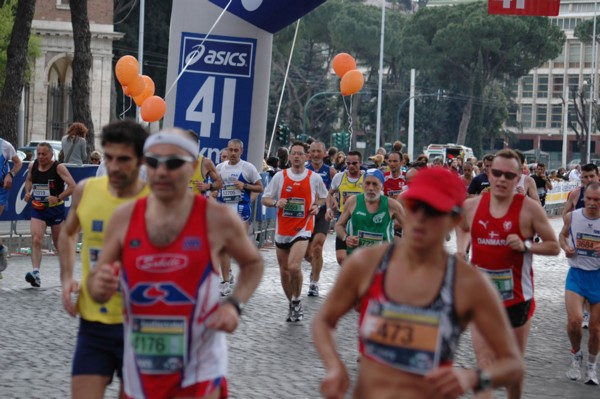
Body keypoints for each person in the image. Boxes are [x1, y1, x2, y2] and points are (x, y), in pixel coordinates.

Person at [312, 167, 524, 399]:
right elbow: (323, 321)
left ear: (455, 219)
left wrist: (472, 377)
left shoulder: (468, 283)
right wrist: (334, 366)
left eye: (433, 211)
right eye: (414, 206)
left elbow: (512, 364)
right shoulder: (366, 264)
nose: (421, 218)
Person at [87, 128, 264, 399]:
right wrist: (100, 285)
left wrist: (233, 304)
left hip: (200, 365)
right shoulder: (124, 218)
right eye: (153, 163)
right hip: (140, 366)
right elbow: (97, 284)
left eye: (173, 163)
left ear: (193, 166)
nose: (161, 171)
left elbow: (253, 264)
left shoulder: (217, 219)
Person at [457, 149, 560, 399]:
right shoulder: (471, 206)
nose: (502, 179)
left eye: (509, 175)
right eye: (497, 173)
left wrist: (526, 246)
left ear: (519, 177)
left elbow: (554, 246)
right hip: (482, 299)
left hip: (516, 298)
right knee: (485, 363)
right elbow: (461, 227)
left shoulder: (529, 210)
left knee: (512, 365)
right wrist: (462, 251)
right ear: (489, 174)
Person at [58, 120, 150, 398]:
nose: (114, 167)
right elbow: (68, 234)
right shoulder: (87, 190)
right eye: (109, 157)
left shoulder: (156, 200)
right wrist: (66, 278)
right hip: (94, 322)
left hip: (143, 327)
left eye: (124, 159)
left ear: (141, 159)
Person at [261, 142, 327, 322]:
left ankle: (297, 300)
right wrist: (276, 203)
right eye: (294, 153)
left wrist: (316, 206)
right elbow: (265, 199)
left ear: (306, 157)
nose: (297, 156)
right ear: (289, 157)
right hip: (282, 230)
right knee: (284, 271)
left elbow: (323, 197)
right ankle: (292, 304)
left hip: (303, 228)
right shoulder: (280, 177)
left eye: (300, 154)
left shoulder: (314, 178)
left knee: (294, 266)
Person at [560, 182, 600, 385]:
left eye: (597, 200)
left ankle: (592, 367)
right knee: (575, 321)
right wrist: (566, 247)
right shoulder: (573, 216)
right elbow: (562, 235)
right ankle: (576, 355)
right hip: (576, 274)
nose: (592, 203)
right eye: (589, 199)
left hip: (598, 277)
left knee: (595, 329)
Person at [23, 142, 76, 287]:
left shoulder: (58, 167)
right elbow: (28, 180)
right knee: (36, 239)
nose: (40, 157)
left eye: (43, 154)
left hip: (55, 209)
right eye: (38, 154)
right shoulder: (32, 165)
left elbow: (72, 186)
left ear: (51, 154)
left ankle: (67, 274)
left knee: (59, 244)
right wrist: (28, 192)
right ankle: (35, 273)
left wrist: (58, 197)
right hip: (38, 208)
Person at [215, 139, 263, 296]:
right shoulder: (220, 168)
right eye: (230, 150)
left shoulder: (248, 168)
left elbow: (260, 187)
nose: (233, 153)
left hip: (241, 210)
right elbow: (215, 187)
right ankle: (225, 280)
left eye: (236, 150)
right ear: (227, 151)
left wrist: (245, 186)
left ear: (241, 151)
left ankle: (239, 275)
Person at [335, 168, 402, 255]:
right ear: (362, 185)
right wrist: (346, 238)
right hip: (357, 257)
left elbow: (409, 226)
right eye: (367, 183)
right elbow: (339, 225)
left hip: (383, 259)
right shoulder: (353, 201)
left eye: (375, 184)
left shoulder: (392, 205)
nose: (371, 188)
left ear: (382, 186)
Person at [305, 140, 336, 297]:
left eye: (319, 151)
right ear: (309, 154)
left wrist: (333, 204)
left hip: (322, 214)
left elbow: (335, 191)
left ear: (325, 154)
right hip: (305, 215)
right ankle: (315, 267)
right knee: (306, 252)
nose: (316, 155)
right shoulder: (303, 170)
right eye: (313, 151)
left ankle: (314, 283)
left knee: (317, 248)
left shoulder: (330, 172)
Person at [326, 150, 365, 266]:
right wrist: (329, 208)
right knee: (341, 258)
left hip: (362, 220)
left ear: (360, 163)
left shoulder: (367, 178)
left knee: (359, 256)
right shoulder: (339, 177)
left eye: (354, 163)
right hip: (343, 219)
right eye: (348, 164)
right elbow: (329, 194)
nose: (351, 166)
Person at [0, 138, 23, 278]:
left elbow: (18, 163)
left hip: (1, 189)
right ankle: (1, 249)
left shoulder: (5, 145)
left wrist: (10, 174)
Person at [186, 131, 223, 196]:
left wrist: (208, 186)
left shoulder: (205, 162)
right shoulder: (176, 160)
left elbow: (220, 183)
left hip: (196, 203)